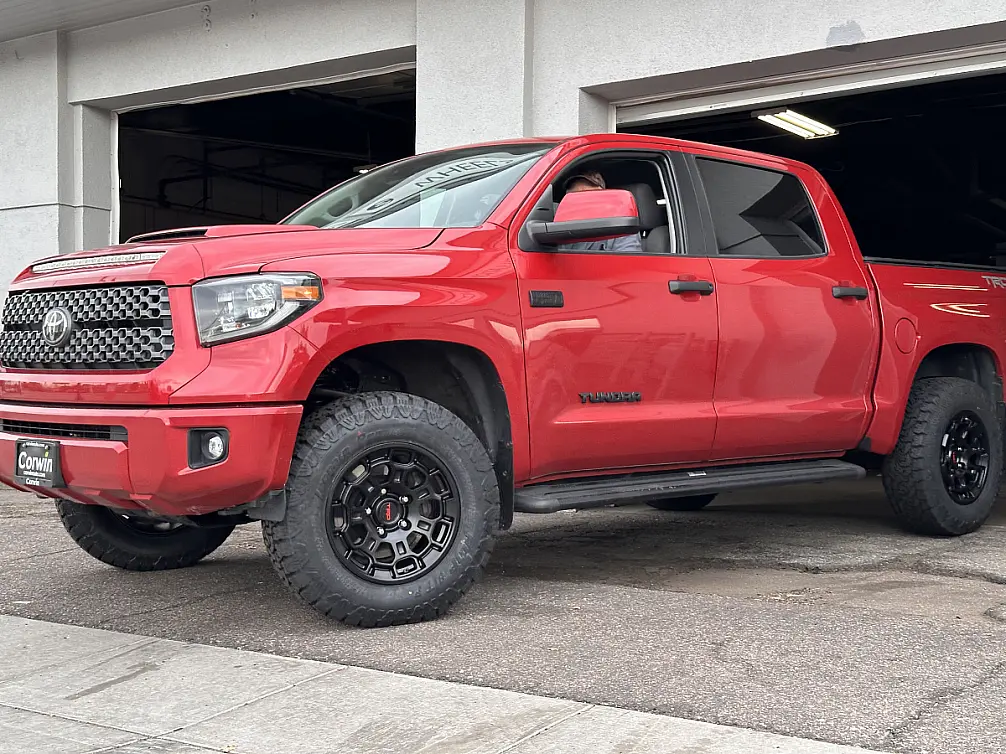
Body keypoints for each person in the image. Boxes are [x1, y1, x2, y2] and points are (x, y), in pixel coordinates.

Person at [558, 170, 644, 252]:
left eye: (588, 196)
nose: (582, 202)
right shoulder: (562, 231)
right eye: (575, 198)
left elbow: (627, 263)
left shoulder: (620, 228)